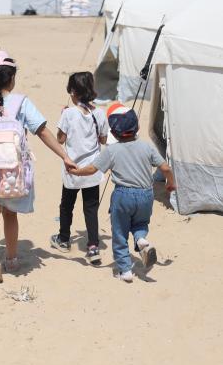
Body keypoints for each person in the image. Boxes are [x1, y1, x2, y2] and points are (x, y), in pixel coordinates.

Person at [0, 50, 77, 285]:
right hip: (14, 174)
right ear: (11, 79)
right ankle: (12, 259)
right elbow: (43, 131)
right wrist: (64, 155)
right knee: (10, 215)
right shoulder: (21, 102)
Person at [70, 104, 176, 282]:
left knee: (119, 233)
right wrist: (171, 183)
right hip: (146, 194)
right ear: (138, 128)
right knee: (140, 223)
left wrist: (75, 171)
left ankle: (125, 270)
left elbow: (92, 169)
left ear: (114, 133)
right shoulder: (147, 147)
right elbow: (165, 167)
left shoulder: (111, 151)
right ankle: (141, 240)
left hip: (123, 195)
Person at [50, 72, 108, 265]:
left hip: (72, 169)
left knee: (67, 205)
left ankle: (64, 239)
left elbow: (60, 139)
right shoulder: (99, 113)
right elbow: (103, 139)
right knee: (91, 208)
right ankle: (93, 246)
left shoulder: (68, 114)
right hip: (92, 169)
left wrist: (62, 118)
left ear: (73, 91)